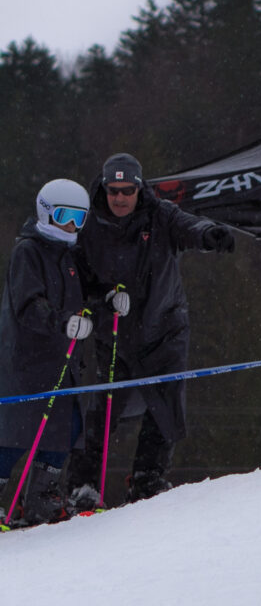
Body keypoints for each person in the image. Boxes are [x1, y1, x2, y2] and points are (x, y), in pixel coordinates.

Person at [66, 152, 235, 507]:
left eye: (127, 191)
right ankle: (83, 485)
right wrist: (100, 302)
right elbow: (79, 277)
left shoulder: (160, 214)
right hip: (115, 331)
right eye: (114, 191)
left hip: (163, 328)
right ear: (104, 189)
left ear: (139, 189)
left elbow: (189, 226)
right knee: (102, 411)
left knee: (166, 406)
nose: (120, 198)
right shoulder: (90, 224)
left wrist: (209, 234)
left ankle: (147, 477)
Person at [0, 179, 93, 526]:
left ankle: (41, 496)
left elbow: (88, 292)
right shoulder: (29, 251)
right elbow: (28, 304)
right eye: (64, 216)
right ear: (46, 212)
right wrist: (62, 322)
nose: (70, 226)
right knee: (15, 431)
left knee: (65, 426)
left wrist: (110, 299)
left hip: (62, 360)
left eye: (78, 219)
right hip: (26, 359)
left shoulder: (70, 255)